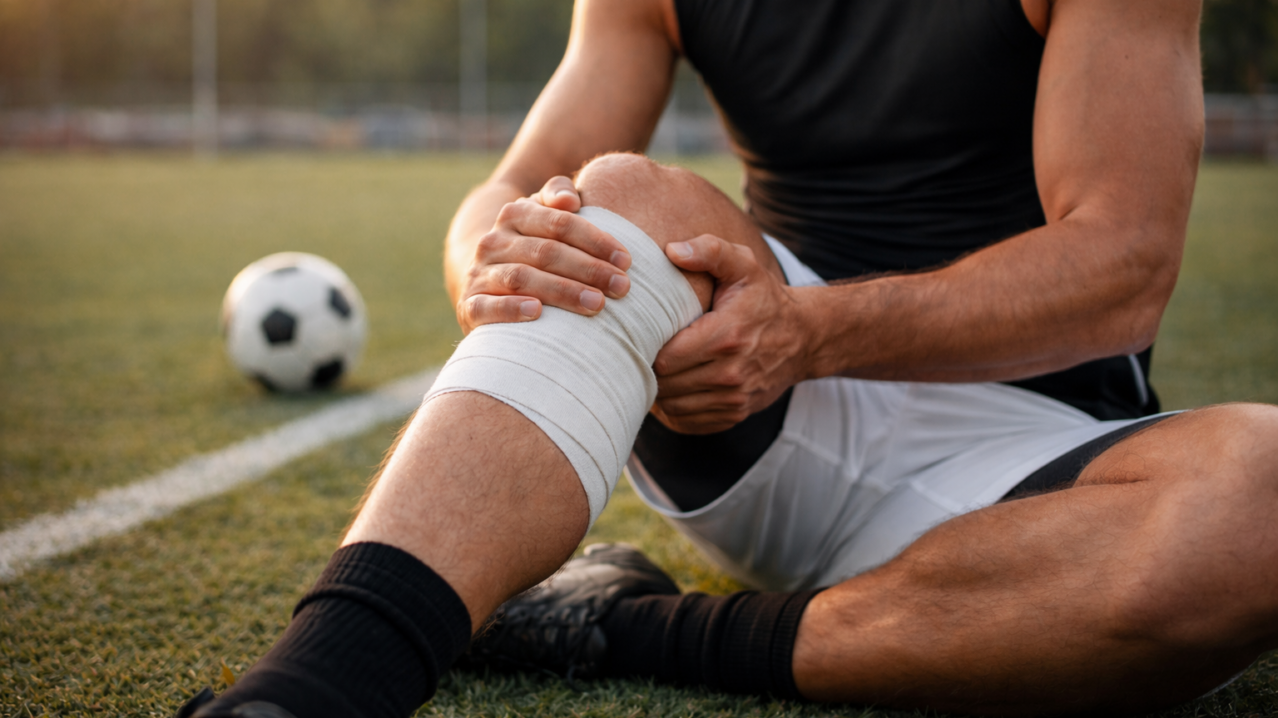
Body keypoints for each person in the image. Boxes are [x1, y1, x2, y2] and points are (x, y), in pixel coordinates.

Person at [177, 1, 1278, 717]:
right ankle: (311, 688)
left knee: (1261, 498)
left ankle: (627, 629)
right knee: (610, 199)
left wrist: (815, 332)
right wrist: (500, 266)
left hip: (1033, 459)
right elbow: (513, 190)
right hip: (758, 416)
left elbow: (1123, 265)